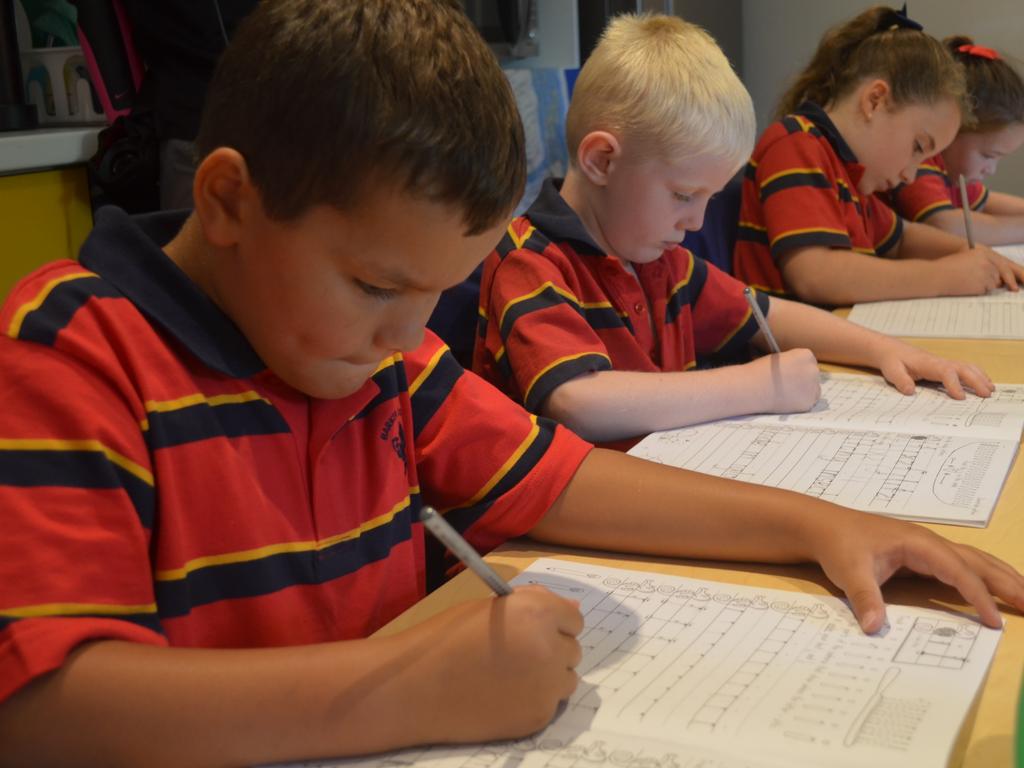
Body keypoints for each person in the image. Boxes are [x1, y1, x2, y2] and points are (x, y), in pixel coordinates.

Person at [0, 2, 1020, 765]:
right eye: (374, 284)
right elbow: (46, 713)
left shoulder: (378, 354)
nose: (408, 330)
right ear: (227, 197)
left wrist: (816, 524)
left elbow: (565, 480)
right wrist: (409, 693)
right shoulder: (73, 353)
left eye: (434, 293)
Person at [472, 13, 992, 445]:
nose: (696, 221)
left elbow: (765, 312)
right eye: (682, 195)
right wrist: (759, 386)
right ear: (603, 161)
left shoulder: (662, 260)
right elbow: (578, 401)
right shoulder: (530, 260)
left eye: (708, 199)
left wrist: (888, 351)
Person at [732, 5, 1024, 306]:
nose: (910, 175)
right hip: (795, 349)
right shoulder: (796, 144)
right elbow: (816, 275)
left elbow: (902, 239)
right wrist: (944, 275)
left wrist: (973, 255)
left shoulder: (852, 172)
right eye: (918, 147)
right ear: (875, 101)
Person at [889, 36, 1024, 245]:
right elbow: (945, 226)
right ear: (953, 127)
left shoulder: (953, 173)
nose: (991, 169)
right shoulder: (918, 164)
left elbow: (987, 201)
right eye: (988, 156)